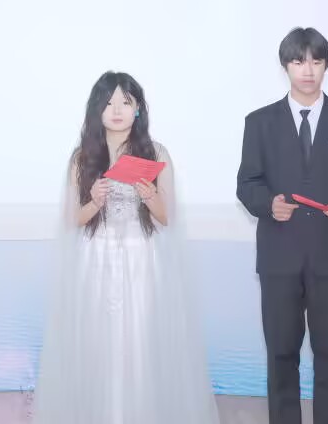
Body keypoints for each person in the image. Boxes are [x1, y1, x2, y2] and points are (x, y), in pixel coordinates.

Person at [33, 71, 219, 424]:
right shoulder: (82, 158)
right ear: (96, 109)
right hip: (94, 259)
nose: (116, 110)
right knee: (95, 342)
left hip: (141, 258)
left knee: (139, 341)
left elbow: (167, 217)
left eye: (125, 102)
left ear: (138, 109)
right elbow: (72, 220)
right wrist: (94, 202)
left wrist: (150, 196)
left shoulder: (156, 153)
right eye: (108, 102)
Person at [236, 27, 328, 424]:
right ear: (286, 66)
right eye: (299, 61)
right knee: (281, 357)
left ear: (326, 65)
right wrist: (268, 205)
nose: (308, 70)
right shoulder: (260, 122)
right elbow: (247, 184)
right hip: (279, 259)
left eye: (316, 61)